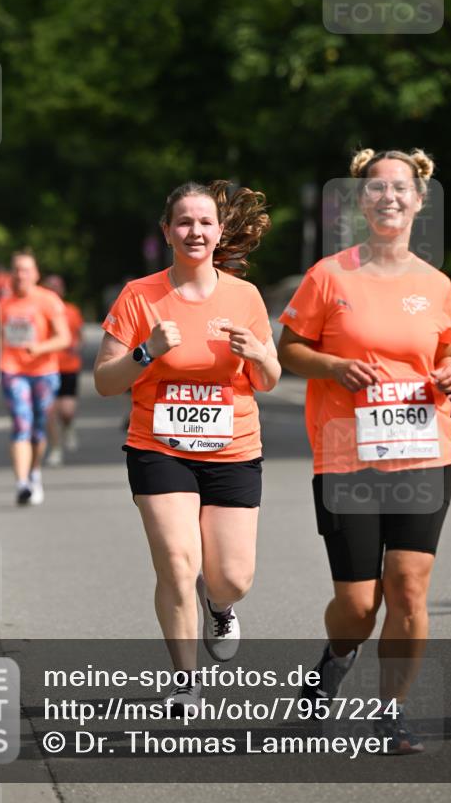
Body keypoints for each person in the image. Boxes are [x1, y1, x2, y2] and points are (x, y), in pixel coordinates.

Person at [277, 148, 451, 754]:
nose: (389, 198)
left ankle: (391, 713)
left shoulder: (436, 284)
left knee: (409, 589)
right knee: (359, 606)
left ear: (419, 200)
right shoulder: (330, 275)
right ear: (362, 201)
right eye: (377, 189)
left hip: (423, 448)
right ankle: (334, 659)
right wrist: (332, 364)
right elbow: (289, 349)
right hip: (347, 454)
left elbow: (445, 355)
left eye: (400, 189)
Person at [94, 180, 280, 713]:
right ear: (167, 231)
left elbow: (268, 378)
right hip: (159, 446)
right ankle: (185, 682)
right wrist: (145, 353)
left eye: (204, 222)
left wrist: (258, 355)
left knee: (232, 576)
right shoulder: (140, 295)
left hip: (233, 448)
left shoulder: (244, 297)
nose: (194, 231)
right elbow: (106, 382)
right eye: (184, 222)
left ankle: (218, 604)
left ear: (219, 232)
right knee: (177, 563)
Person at [0, 251, 71, 505]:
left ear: (35, 274)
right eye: (16, 269)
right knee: (22, 423)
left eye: (25, 270)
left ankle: (34, 472)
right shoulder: (5, 302)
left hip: (44, 372)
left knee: (38, 427)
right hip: (13, 370)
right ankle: (21, 483)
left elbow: (63, 337)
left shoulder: (48, 300)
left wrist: (40, 348)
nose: (20, 275)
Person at [41, 275, 84, 466]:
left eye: (57, 287)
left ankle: (68, 427)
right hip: (47, 367)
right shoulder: (40, 311)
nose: (53, 291)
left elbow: (80, 335)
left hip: (69, 367)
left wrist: (77, 346)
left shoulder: (72, 311)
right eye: (49, 288)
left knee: (66, 411)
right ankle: (56, 448)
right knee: (50, 412)